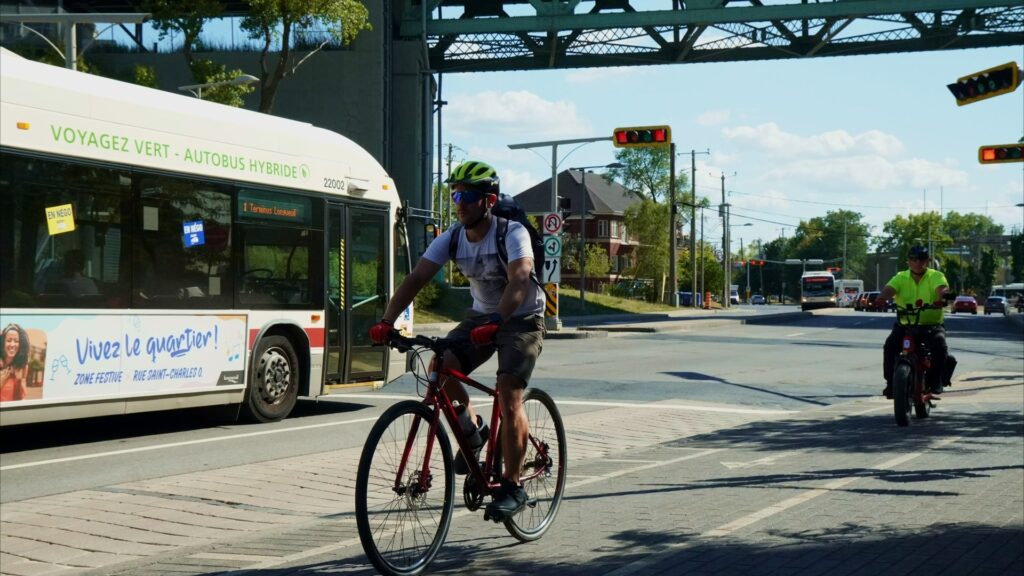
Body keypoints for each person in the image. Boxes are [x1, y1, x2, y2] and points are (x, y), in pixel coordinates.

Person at [369, 160, 546, 521]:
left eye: (466, 195)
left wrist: (499, 319)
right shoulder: (451, 236)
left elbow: (521, 278)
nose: (458, 202)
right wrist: (388, 321)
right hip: (482, 317)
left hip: (522, 317)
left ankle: (513, 485)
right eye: (455, 195)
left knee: (509, 391)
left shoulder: (511, 232)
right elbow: (417, 277)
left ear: (489, 200)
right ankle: (473, 432)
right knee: (441, 367)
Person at [876, 245, 950, 398]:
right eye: (913, 259)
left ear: (928, 261)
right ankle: (891, 383)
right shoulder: (900, 277)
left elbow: (942, 290)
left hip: (932, 326)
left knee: (940, 345)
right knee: (890, 346)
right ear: (908, 261)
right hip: (905, 325)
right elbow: (889, 289)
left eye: (921, 259)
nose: (917, 262)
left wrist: (943, 298)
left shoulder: (936, 276)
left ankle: (934, 380)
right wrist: (882, 299)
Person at [1, 323, 30, 402]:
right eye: (8, 340)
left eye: (16, 341)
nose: (12, 345)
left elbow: (23, 396)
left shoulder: (22, 368)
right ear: (2, 343)